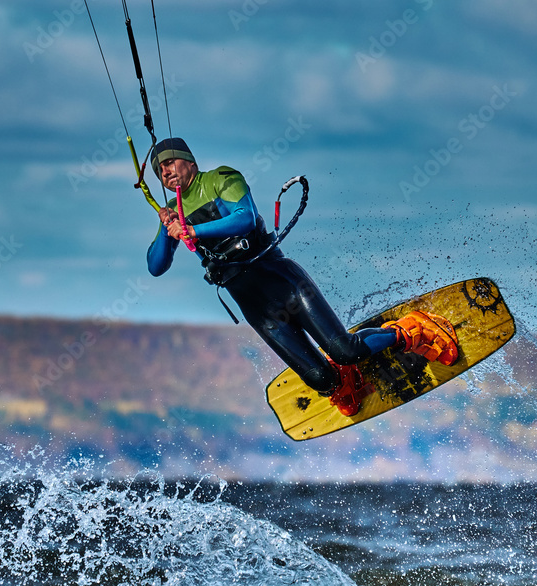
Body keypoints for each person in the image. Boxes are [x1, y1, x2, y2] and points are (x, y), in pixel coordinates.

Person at [145, 138, 458, 416]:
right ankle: (345, 378)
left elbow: (245, 219)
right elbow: (156, 266)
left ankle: (410, 329)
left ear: (189, 161)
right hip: (258, 309)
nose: (165, 171)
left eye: (169, 162)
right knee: (322, 380)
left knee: (345, 351)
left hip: (285, 286)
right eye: (159, 169)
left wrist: (193, 230)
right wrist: (166, 228)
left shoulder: (220, 178)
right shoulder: (175, 212)